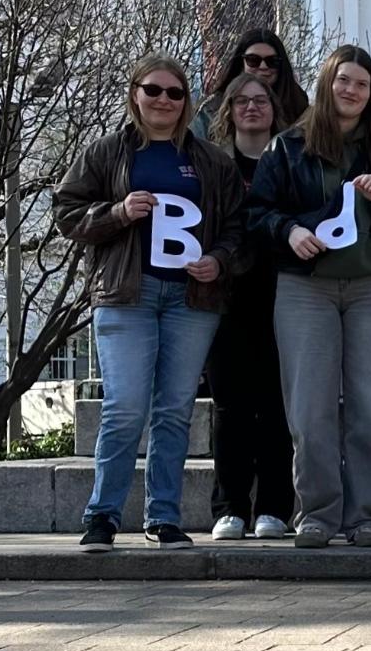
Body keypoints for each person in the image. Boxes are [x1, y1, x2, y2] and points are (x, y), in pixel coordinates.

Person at [57, 56, 244, 552]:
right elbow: (66, 212)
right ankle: (101, 516)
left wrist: (219, 261)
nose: (164, 100)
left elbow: (237, 229)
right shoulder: (105, 153)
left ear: (187, 102)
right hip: (126, 295)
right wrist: (117, 212)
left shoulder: (212, 161)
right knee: (124, 407)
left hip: (191, 298)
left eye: (175, 93)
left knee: (175, 409)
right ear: (134, 93)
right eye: (154, 90)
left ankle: (164, 517)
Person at [247, 45, 371, 550]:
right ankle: (318, 514)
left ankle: (367, 515)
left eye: (362, 84)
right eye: (343, 81)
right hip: (306, 291)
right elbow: (256, 215)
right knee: (310, 409)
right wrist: (287, 231)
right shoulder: (287, 148)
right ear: (327, 84)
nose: (351, 91)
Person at [203, 73, 294, 542]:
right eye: (242, 101)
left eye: (261, 100)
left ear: (274, 108)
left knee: (276, 405)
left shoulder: (290, 159)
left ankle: (275, 507)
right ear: (229, 109)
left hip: (283, 293)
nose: (252, 108)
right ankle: (230, 507)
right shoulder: (214, 164)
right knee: (229, 406)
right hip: (227, 295)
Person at [193, 28, 309, 138]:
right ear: (240, 63)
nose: (263, 67)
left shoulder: (300, 109)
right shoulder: (212, 110)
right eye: (253, 60)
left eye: (272, 61)